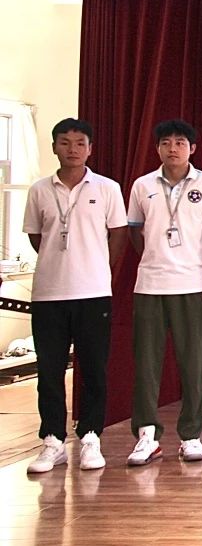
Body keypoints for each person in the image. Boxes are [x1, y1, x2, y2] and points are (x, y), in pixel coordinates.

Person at [22, 118, 127, 474]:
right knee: (49, 370)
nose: (72, 149)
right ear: (54, 147)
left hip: (93, 292)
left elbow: (118, 234)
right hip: (49, 293)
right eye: (65, 143)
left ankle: (91, 436)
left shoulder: (107, 188)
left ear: (90, 149)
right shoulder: (39, 190)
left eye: (80, 143)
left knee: (94, 369)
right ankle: (53, 440)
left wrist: (98, 266)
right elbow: (37, 237)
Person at [125, 119, 202, 466]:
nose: (173, 148)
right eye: (166, 142)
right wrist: (157, 258)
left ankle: (191, 435)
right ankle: (147, 436)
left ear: (192, 148)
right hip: (149, 286)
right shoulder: (142, 185)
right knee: (146, 365)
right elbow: (134, 232)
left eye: (180, 142)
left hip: (190, 286)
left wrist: (193, 259)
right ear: (157, 148)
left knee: (193, 364)